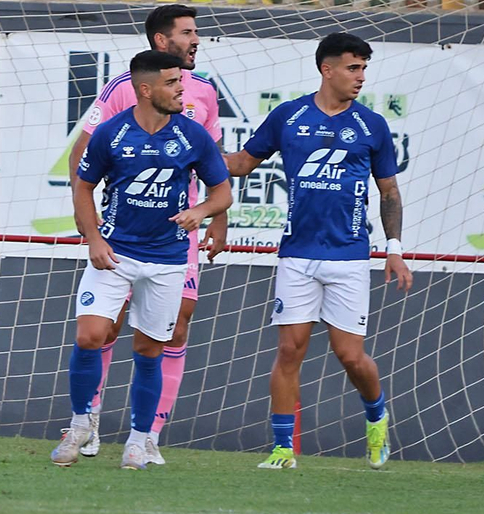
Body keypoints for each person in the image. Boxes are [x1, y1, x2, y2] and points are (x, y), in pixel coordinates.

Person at [224, 32, 414, 470]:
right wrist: (198, 152)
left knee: (349, 356)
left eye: (364, 68)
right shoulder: (288, 117)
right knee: (289, 351)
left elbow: (389, 192)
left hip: (349, 257)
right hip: (297, 254)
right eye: (353, 67)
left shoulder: (372, 126)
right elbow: (241, 163)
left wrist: (394, 249)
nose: (361, 76)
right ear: (326, 69)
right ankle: (281, 449)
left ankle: (376, 414)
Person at [51, 50, 232, 470]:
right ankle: (80, 424)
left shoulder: (193, 136)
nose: (181, 89)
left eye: (180, 82)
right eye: (172, 83)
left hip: (168, 259)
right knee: (89, 337)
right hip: (116, 253)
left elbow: (222, 192)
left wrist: (201, 212)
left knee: (150, 348)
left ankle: (138, 441)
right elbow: (83, 186)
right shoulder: (111, 133)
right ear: (146, 89)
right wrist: (93, 238)